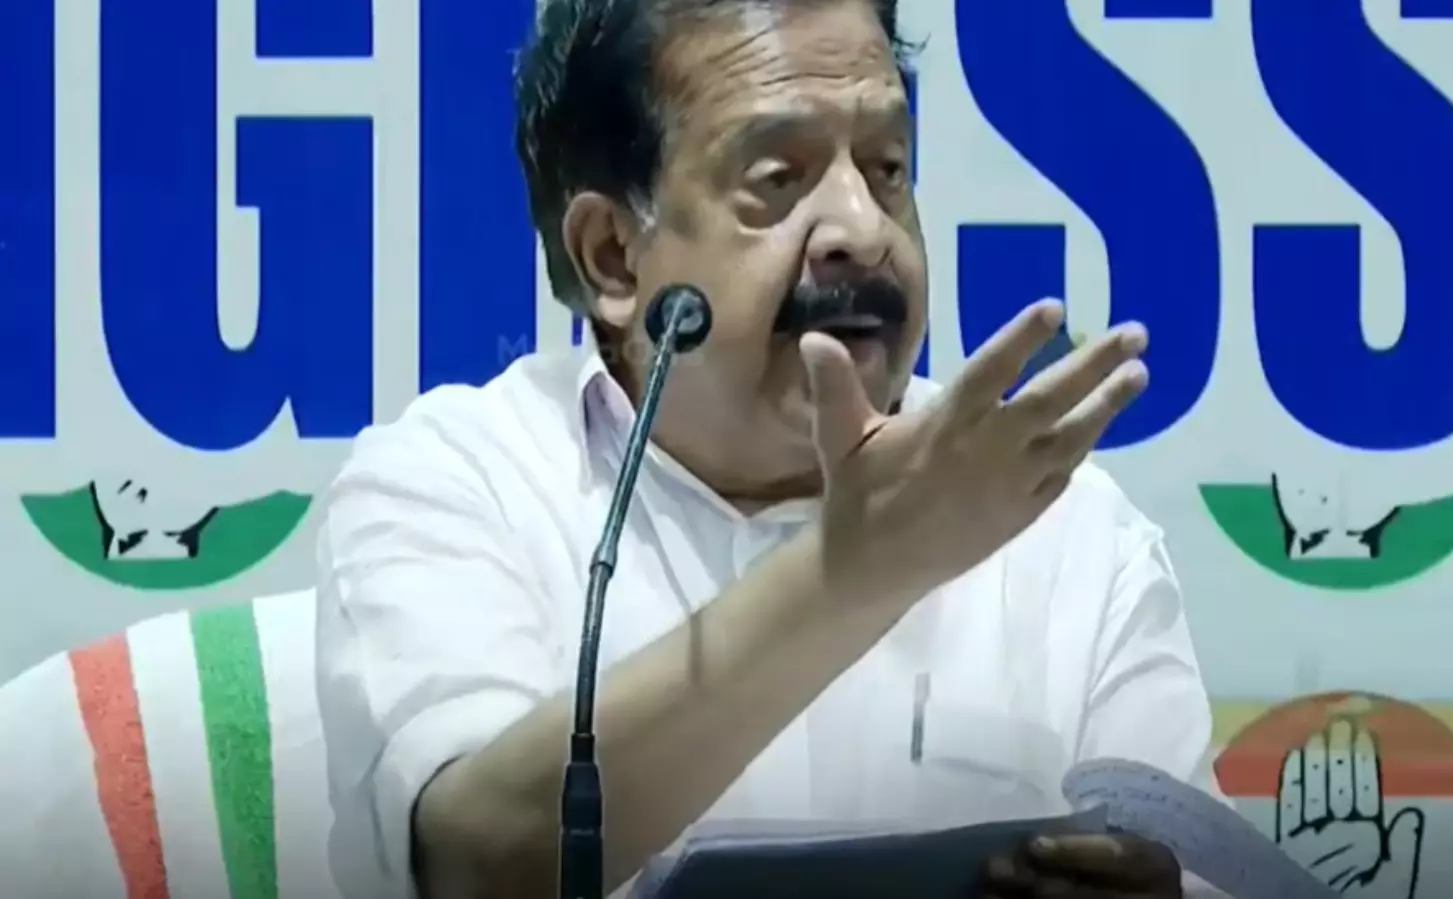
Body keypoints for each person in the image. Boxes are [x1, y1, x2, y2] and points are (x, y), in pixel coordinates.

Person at [314, 1, 1227, 897]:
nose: (862, 230)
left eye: (887, 168)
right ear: (614, 257)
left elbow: (1209, 872)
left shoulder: (1063, 523)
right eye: (778, 179)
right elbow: (478, 860)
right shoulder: (457, 482)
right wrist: (855, 572)